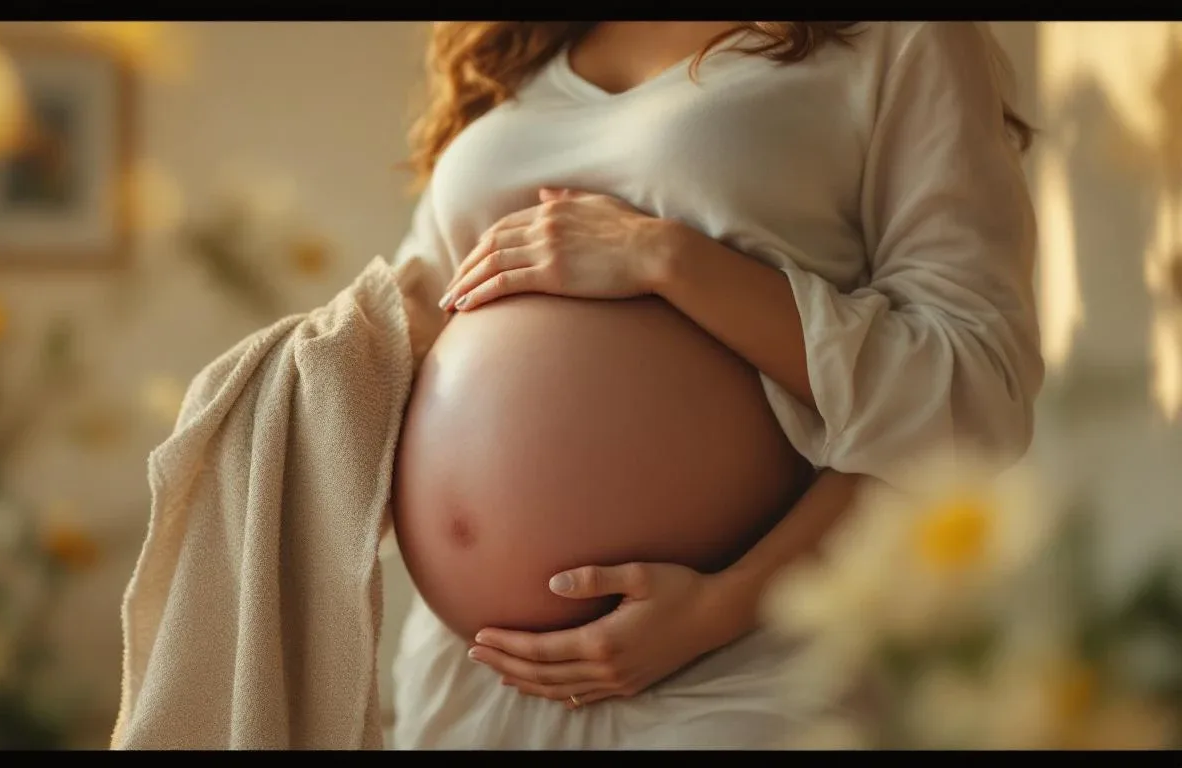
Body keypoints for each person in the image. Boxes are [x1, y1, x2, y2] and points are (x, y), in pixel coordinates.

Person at [386, 21, 1043, 749]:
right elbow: (398, 332)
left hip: (751, 662)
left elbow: (976, 388)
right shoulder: (512, 45)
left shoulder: (898, 36)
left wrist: (663, 257)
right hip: (474, 682)